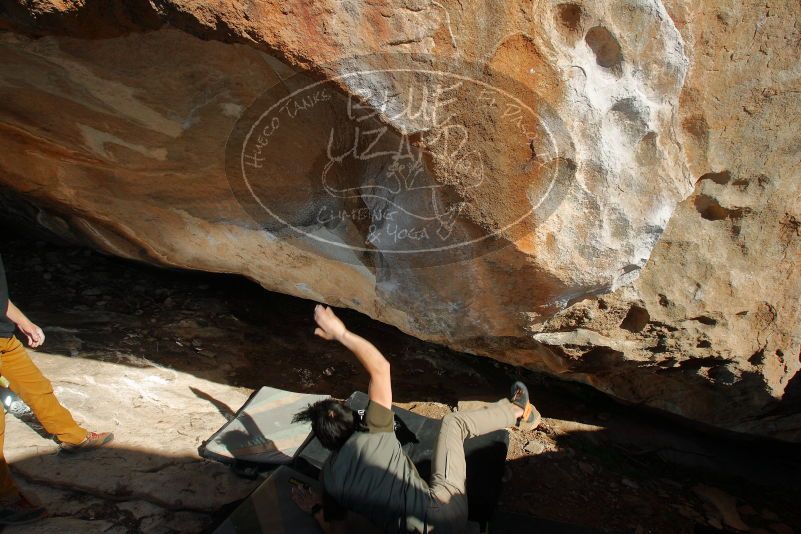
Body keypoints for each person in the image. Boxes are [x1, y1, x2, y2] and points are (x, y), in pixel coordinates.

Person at [291, 305, 541, 533]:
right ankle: (519, 411)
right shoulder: (373, 428)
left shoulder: (329, 479)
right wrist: (341, 333)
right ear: (353, 419)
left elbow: (338, 530)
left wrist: (316, 508)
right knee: (454, 423)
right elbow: (380, 368)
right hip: (444, 514)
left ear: (326, 443)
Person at [0, 253, 114, 525]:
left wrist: (22, 321)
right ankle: (5, 500)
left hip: (4, 340)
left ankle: (73, 437)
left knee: (38, 388)